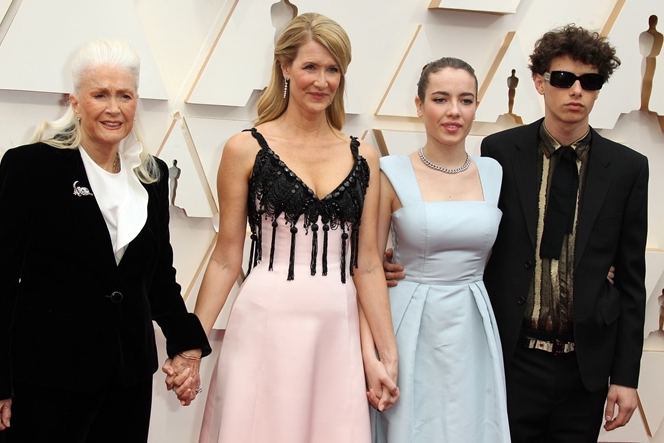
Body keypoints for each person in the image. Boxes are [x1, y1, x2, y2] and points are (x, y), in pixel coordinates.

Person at [385, 24, 648, 442]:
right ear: (540, 82)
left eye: (590, 81)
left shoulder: (629, 168)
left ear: (599, 89)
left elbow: (632, 279)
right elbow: (469, 229)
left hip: (587, 365)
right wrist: (401, 256)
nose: (576, 90)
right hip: (510, 355)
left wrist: (626, 376)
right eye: (563, 79)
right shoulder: (500, 153)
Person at [0, 39, 211, 443]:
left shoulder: (151, 175)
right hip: (47, 378)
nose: (113, 108)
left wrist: (185, 340)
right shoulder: (31, 167)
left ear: (137, 102)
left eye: (125, 95)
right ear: (76, 101)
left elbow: (156, 277)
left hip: (128, 377)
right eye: (100, 94)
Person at [194, 12, 399, 443]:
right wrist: (191, 345)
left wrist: (386, 355)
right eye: (310, 66)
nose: (322, 81)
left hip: (336, 327)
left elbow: (367, 266)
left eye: (332, 69)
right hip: (265, 322)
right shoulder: (244, 149)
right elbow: (226, 258)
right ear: (285, 67)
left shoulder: (365, 156)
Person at [370, 57, 510, 443]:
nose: (453, 111)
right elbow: (365, 264)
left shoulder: (494, 172)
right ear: (419, 105)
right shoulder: (389, 171)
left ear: (476, 107)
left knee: (471, 423)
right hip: (409, 320)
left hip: (473, 323)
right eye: (440, 99)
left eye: (466, 100)